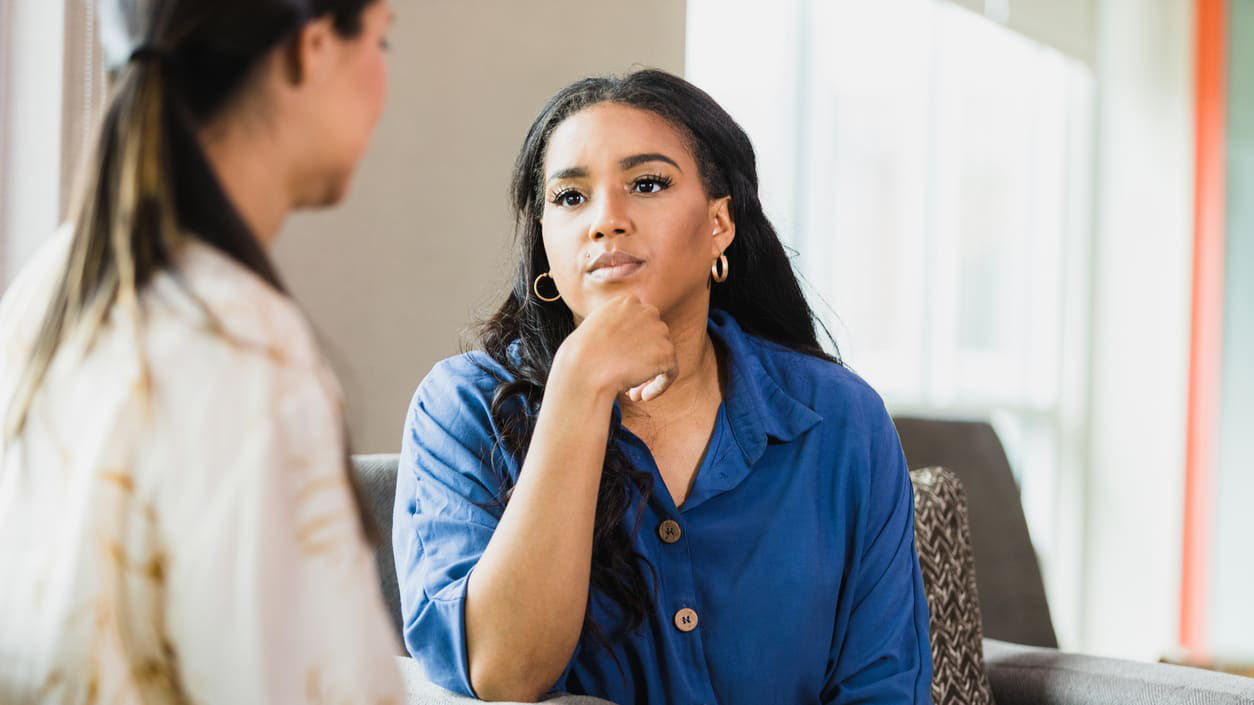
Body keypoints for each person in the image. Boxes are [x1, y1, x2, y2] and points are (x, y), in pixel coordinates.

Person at [394, 69, 933, 704]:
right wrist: (578, 387)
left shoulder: (840, 418)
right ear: (544, 241)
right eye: (570, 198)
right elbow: (503, 673)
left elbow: (885, 687)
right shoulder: (463, 409)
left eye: (647, 184)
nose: (605, 221)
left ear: (719, 225)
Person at [0, 1, 404, 702]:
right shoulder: (244, 349)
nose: (382, 80)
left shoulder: (54, 286)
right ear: (310, 48)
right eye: (381, 41)